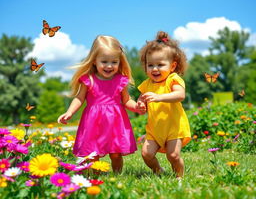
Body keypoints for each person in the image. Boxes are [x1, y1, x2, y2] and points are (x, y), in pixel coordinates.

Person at [58, 35, 145, 173]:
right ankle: (95, 176)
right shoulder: (89, 80)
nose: (109, 66)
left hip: (115, 123)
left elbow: (126, 100)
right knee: (93, 154)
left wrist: (137, 107)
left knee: (116, 153)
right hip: (93, 123)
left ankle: (117, 175)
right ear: (94, 61)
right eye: (104, 61)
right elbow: (79, 98)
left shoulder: (121, 80)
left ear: (119, 61)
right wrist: (70, 112)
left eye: (114, 62)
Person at [137, 31, 191, 178]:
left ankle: (179, 177)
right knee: (146, 154)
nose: (155, 69)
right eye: (150, 65)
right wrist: (141, 104)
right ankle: (158, 171)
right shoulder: (146, 84)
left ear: (172, 66)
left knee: (173, 155)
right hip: (155, 129)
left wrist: (159, 97)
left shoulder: (173, 79)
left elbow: (180, 95)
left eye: (160, 65)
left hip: (174, 126)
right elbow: (142, 99)